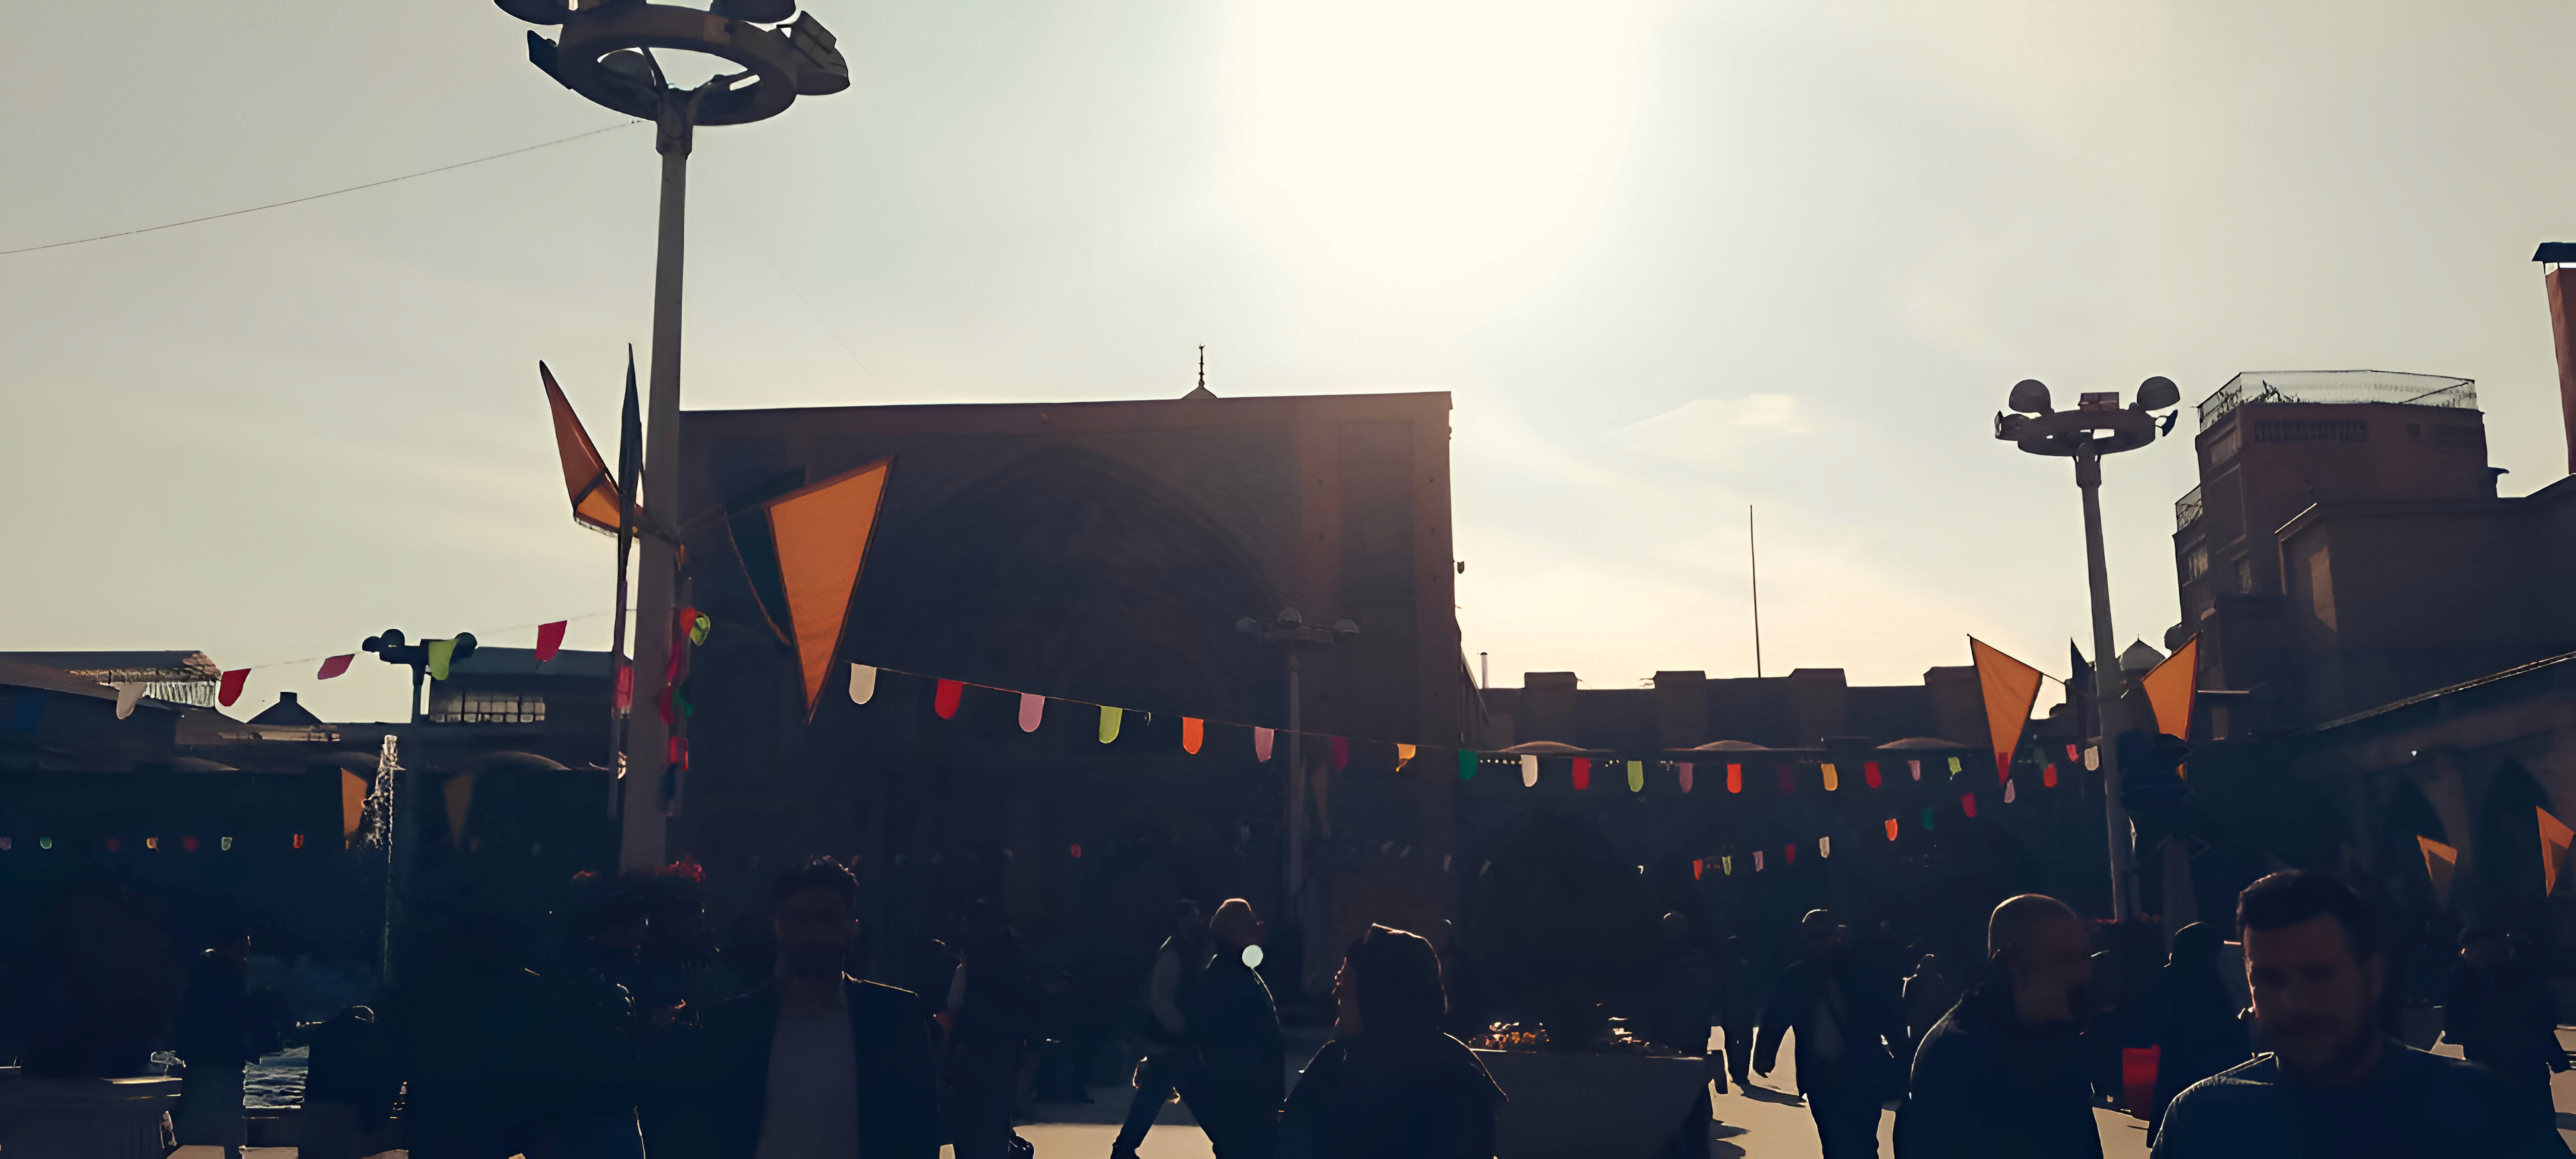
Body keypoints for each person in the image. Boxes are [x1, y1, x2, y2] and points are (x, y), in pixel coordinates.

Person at [2153, 870, 2566, 1157]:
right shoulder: (2202, 1120)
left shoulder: (2487, 1112)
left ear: (2372, 976)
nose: (2293, 1002)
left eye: (2317, 976)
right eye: (2269, 980)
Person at [660, 857, 941, 1158]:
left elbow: (920, 1129)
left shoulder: (894, 1017)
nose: (812, 932)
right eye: (799, 918)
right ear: (776, 925)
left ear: (852, 926)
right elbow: (709, 1131)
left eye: (826, 918)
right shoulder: (733, 1025)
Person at [1894, 894, 2101, 1159]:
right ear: (2014, 963)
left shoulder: (2050, 1037)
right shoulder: (1958, 1054)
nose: (2083, 973)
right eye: (2065, 958)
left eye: (2084, 957)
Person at [1278, 924, 1503, 1159]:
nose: (1336, 993)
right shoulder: (1336, 1063)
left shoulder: (1454, 1083)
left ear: (1377, 996)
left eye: (1344, 982)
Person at [1756, 909, 1903, 1159]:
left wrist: (1765, 1055)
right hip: (1828, 1077)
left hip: (1854, 1074)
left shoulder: (1858, 973)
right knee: (1839, 1144)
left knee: (1862, 1143)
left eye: (1823, 936)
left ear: (1838, 937)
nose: (1820, 943)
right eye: (1814, 937)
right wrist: (1764, 1054)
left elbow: (1888, 1017)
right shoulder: (1798, 978)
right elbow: (1776, 1018)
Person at [2445, 927, 2568, 1138]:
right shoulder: (2518, 974)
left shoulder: (2468, 978)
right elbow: (2544, 1016)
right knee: (2526, 1121)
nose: (2475, 955)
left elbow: (2541, 1016)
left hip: (2505, 1058)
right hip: (2508, 1059)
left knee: (2509, 1120)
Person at [1113, 898, 1213, 1159]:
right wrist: (1183, 1029)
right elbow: (1162, 1000)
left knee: (1154, 1094)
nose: (1198, 921)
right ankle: (1228, 1144)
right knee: (1199, 1097)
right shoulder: (1174, 953)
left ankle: (1123, 1150)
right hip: (1173, 1042)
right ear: (1181, 922)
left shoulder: (1186, 950)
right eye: (1193, 916)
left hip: (1172, 1043)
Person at [944, 897, 1038, 1159]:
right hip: (1004, 1051)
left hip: (971, 1049)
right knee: (995, 1123)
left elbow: (955, 1007)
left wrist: (947, 1050)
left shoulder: (971, 961)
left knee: (968, 1126)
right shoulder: (1017, 957)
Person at [1190, 898, 1284, 1159]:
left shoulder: (1236, 971)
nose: (1260, 927)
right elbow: (1245, 1045)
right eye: (1253, 924)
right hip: (1244, 1103)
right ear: (1237, 934)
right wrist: (1266, 1099)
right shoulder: (1230, 978)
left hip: (1246, 1101)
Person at [2138, 922, 2249, 1142]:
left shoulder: (2169, 979)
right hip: (2197, 1085)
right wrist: (2242, 1026)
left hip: (2175, 1083)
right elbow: (2209, 1036)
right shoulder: (2196, 985)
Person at [173, 925, 261, 1158]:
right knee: (217, 1105)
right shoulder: (222, 975)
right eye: (242, 949)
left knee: (204, 1105)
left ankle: (172, 1146)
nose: (246, 955)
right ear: (228, 947)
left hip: (211, 1054)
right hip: (217, 1054)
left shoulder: (208, 970)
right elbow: (228, 1016)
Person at [1899, 953, 1957, 1061]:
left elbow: (1906, 1003)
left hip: (1920, 1021)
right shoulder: (1939, 983)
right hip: (1928, 1021)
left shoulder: (1913, 982)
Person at [1717, 935, 1756, 1090]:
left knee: (1731, 1042)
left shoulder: (1724, 969)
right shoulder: (1748, 968)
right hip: (1745, 1011)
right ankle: (1743, 1073)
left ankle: (1733, 1070)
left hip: (1729, 1011)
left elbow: (1720, 991)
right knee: (1746, 1043)